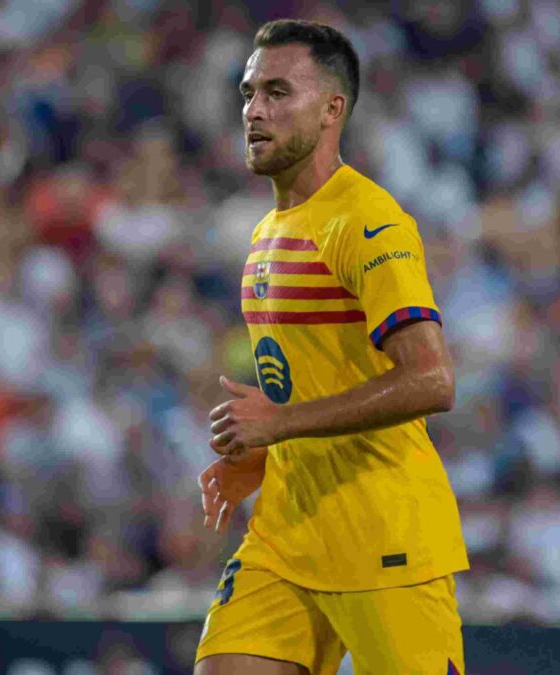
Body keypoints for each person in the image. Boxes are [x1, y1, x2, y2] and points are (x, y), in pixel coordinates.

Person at [194, 19, 467, 675]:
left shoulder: (368, 220)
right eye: (249, 93)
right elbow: (313, 379)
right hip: (286, 534)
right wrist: (266, 451)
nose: (254, 110)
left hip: (383, 537)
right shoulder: (268, 230)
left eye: (278, 92)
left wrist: (282, 423)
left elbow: (432, 380)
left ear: (331, 109)